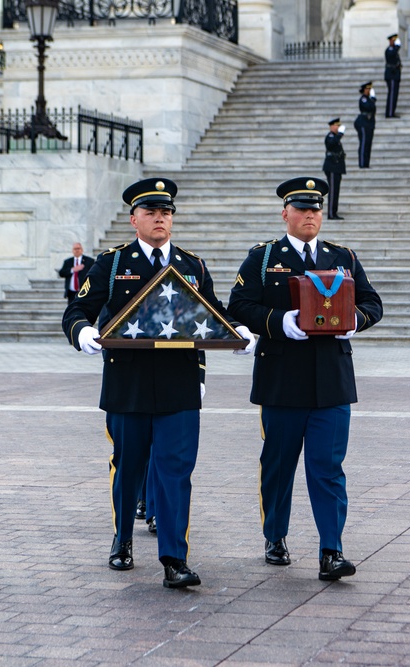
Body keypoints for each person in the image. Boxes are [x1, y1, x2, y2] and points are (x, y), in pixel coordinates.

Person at [62, 177, 256, 588]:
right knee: (128, 469)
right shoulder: (113, 264)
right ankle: (123, 539)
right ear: (134, 219)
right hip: (127, 384)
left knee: (175, 472)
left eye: (166, 213)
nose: (160, 219)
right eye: (151, 213)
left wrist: (240, 332)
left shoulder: (191, 265)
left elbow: (214, 313)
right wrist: (82, 334)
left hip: (179, 385)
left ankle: (174, 559)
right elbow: (78, 309)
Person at [227, 177, 383, 581]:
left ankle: (331, 550)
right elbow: (239, 305)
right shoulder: (263, 258)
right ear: (285, 214)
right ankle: (275, 536)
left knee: (327, 467)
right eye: (301, 208)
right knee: (278, 465)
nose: (310, 215)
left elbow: (372, 302)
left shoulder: (342, 257)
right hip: (281, 380)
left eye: (315, 208)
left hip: (331, 380)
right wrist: (279, 322)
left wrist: (354, 320)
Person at [322, 118, 347, 220]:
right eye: (337, 126)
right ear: (332, 126)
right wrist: (340, 134)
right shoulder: (330, 136)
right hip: (332, 167)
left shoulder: (335, 137)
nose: (338, 127)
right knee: (332, 191)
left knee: (336, 191)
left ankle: (334, 212)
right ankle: (331, 213)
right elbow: (331, 144)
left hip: (337, 167)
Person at [354, 82, 376, 169]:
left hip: (369, 123)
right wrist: (373, 99)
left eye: (370, 89)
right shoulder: (363, 99)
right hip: (363, 123)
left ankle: (366, 162)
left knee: (368, 143)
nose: (369, 91)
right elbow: (368, 107)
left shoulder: (369, 99)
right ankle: (362, 163)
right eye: (368, 89)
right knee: (363, 143)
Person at [384, 34, 402, 118]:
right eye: (393, 41)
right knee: (392, 95)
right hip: (391, 75)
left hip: (395, 75)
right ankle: (390, 113)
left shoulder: (393, 49)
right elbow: (392, 55)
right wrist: (397, 47)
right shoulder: (389, 49)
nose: (394, 42)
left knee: (394, 95)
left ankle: (392, 111)